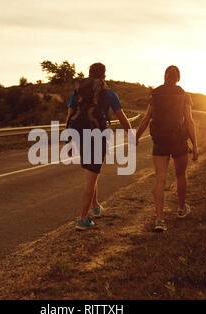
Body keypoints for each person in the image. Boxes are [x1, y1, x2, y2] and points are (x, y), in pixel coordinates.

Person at [66, 62, 133, 231]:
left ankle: (95, 207)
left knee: (91, 172)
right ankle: (82, 219)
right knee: (91, 177)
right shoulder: (109, 94)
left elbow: (69, 115)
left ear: (88, 74)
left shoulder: (78, 91)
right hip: (98, 135)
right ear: (104, 75)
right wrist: (131, 135)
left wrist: (69, 137)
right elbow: (122, 117)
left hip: (80, 133)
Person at [135, 65, 198, 232]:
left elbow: (147, 118)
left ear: (165, 76)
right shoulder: (184, 95)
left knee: (160, 178)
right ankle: (181, 209)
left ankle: (159, 220)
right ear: (178, 78)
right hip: (178, 140)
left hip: (160, 140)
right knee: (180, 175)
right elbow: (189, 121)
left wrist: (136, 136)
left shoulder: (155, 94)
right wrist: (195, 145)